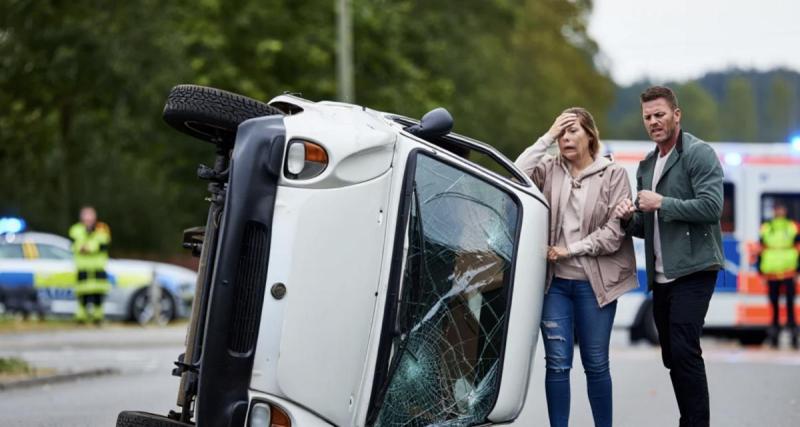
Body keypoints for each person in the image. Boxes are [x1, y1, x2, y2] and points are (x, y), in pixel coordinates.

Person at [516, 107, 638, 427]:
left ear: (590, 136)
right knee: (557, 364)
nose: (566, 137)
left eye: (573, 131)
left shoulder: (613, 174)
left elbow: (614, 234)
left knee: (596, 363)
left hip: (594, 285)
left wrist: (569, 250)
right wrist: (546, 136)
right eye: (562, 132)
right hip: (554, 284)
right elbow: (514, 175)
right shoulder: (549, 169)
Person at [613, 86, 724, 427]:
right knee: (672, 355)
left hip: (695, 269)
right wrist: (628, 218)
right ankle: (688, 418)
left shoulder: (698, 154)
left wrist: (661, 202)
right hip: (661, 274)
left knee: (684, 349)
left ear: (677, 114)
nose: (653, 122)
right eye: (648, 117)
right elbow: (648, 226)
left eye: (660, 114)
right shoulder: (647, 165)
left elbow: (712, 207)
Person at [758, 203, 799, 348]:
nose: (779, 211)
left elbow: (798, 247)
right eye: (776, 209)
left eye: (781, 208)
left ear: (785, 210)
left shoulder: (792, 226)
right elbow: (760, 249)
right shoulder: (767, 227)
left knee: (790, 304)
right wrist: (761, 271)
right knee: (774, 304)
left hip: (789, 271)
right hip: (771, 272)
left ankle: (793, 333)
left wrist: (797, 270)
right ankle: (774, 333)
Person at [69, 206, 111, 324]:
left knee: (98, 294)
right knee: (82, 294)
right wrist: (85, 246)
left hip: (98, 268)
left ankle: (98, 317)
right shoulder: (75, 229)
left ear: (95, 216)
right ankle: (81, 317)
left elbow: (103, 244)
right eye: (85, 215)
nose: (88, 218)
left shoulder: (102, 228)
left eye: (90, 215)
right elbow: (74, 245)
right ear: (81, 217)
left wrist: (88, 247)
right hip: (83, 268)